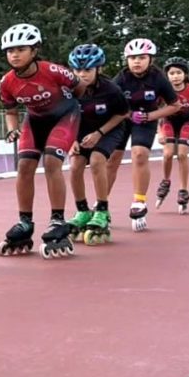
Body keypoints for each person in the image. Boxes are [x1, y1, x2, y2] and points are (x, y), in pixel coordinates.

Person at [0, 23, 85, 259]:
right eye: (10, 51)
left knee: (52, 163)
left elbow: (80, 88)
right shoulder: (6, 82)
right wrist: (12, 129)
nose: (15, 55)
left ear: (34, 51)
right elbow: (11, 111)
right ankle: (25, 222)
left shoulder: (53, 71)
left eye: (21, 49)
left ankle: (57, 220)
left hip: (64, 116)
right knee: (24, 166)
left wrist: (75, 110)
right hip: (35, 120)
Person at [105, 38, 180, 232]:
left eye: (141, 57)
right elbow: (107, 101)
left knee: (139, 154)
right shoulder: (121, 78)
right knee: (111, 159)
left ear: (150, 59)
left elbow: (175, 105)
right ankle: (101, 204)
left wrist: (150, 116)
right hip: (122, 119)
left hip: (146, 120)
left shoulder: (158, 78)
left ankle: (139, 201)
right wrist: (126, 114)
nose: (136, 61)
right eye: (132, 58)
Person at [64, 44, 129, 245]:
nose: (82, 74)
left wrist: (99, 133)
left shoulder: (111, 89)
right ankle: (82, 211)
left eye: (87, 70)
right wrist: (71, 140)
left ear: (98, 69)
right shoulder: (68, 90)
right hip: (80, 131)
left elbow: (123, 113)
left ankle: (102, 210)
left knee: (96, 160)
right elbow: (64, 116)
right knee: (75, 165)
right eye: (77, 70)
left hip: (108, 129)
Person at [155, 56, 189, 214]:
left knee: (182, 155)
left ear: (185, 74)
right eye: (172, 73)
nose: (175, 76)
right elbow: (155, 110)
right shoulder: (163, 90)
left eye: (178, 73)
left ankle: (183, 189)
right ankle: (165, 181)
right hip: (168, 121)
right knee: (168, 153)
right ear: (167, 75)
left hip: (186, 122)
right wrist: (159, 131)